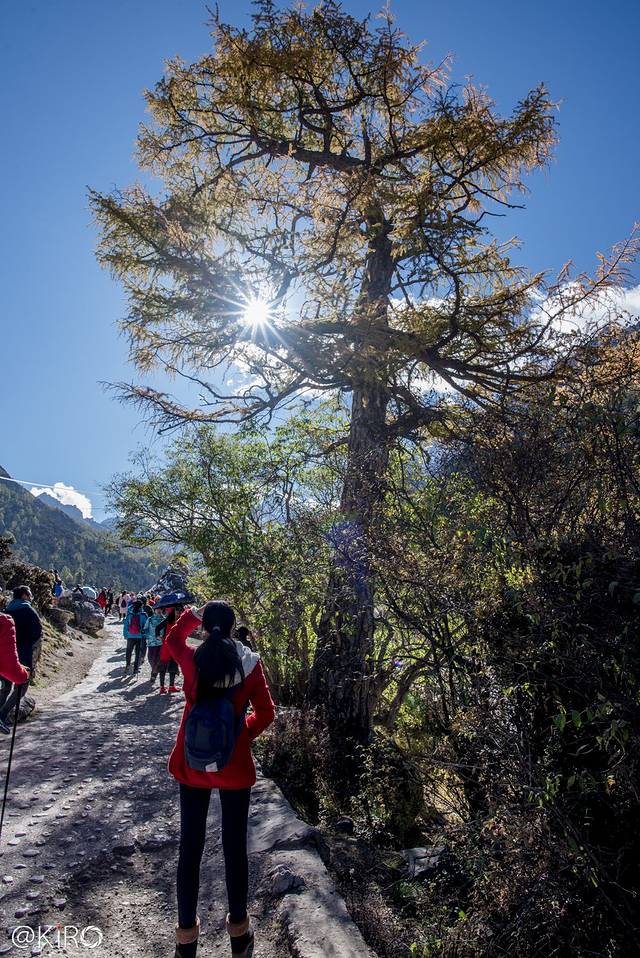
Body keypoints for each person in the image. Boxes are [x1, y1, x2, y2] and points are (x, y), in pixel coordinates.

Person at [161, 600, 275, 958]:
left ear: (205, 627)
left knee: (190, 849)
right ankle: (239, 936)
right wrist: (240, 737)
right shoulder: (250, 665)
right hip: (235, 767)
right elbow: (266, 713)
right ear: (231, 628)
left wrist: (190, 615)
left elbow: (171, 640)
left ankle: (186, 941)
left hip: (192, 764)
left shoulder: (193, 659)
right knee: (234, 848)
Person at [0, 613, 30, 734]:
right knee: (21, 678)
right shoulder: (4, 621)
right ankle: (2, 715)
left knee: (6, 686)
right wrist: (24, 674)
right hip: (9, 667)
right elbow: (9, 663)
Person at [6, 586, 43, 680]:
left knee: (8, 673)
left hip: (8, 647)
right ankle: (20, 693)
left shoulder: (7, 609)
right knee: (24, 673)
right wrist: (31, 642)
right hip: (25, 647)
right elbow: (37, 629)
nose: (31, 597)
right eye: (29, 595)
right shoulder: (28, 610)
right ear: (24, 596)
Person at [122, 599, 147, 675]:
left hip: (130, 636)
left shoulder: (130, 615)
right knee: (137, 653)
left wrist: (125, 635)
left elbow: (126, 625)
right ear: (141, 606)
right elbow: (146, 627)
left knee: (129, 651)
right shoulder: (143, 615)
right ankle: (136, 669)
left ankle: (128, 665)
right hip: (140, 637)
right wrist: (145, 634)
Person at [144, 604, 166, 686]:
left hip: (160, 643)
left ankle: (154, 674)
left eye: (160, 609)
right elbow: (145, 629)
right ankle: (155, 670)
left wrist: (163, 638)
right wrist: (145, 634)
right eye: (157, 609)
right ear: (154, 610)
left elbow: (167, 631)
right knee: (150, 658)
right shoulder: (150, 619)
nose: (159, 610)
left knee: (158, 659)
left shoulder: (164, 619)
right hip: (151, 642)